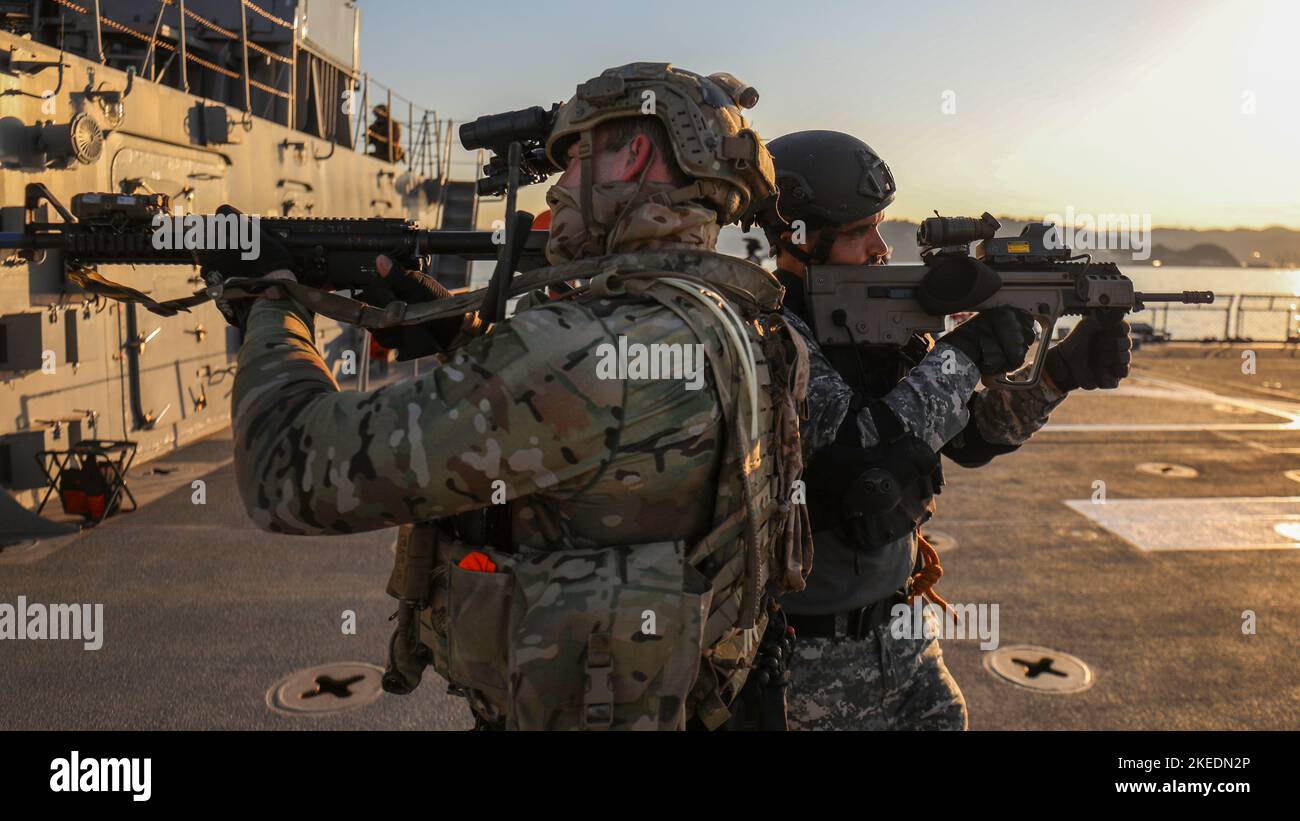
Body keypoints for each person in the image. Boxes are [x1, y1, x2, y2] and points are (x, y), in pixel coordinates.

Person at [209, 63, 813, 731]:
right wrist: (464, 333)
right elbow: (594, 439)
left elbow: (284, 471)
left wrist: (269, 300)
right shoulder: (742, 321)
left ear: (632, 155)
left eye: (574, 159)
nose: (560, 186)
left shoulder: (578, 350)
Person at [765, 129, 1132, 730]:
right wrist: (962, 355)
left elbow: (966, 440)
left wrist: (1060, 371)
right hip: (806, 661)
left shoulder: (878, 325)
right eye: (859, 232)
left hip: (905, 635)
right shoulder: (770, 332)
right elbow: (865, 453)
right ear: (797, 236)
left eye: (878, 226)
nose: (880, 247)